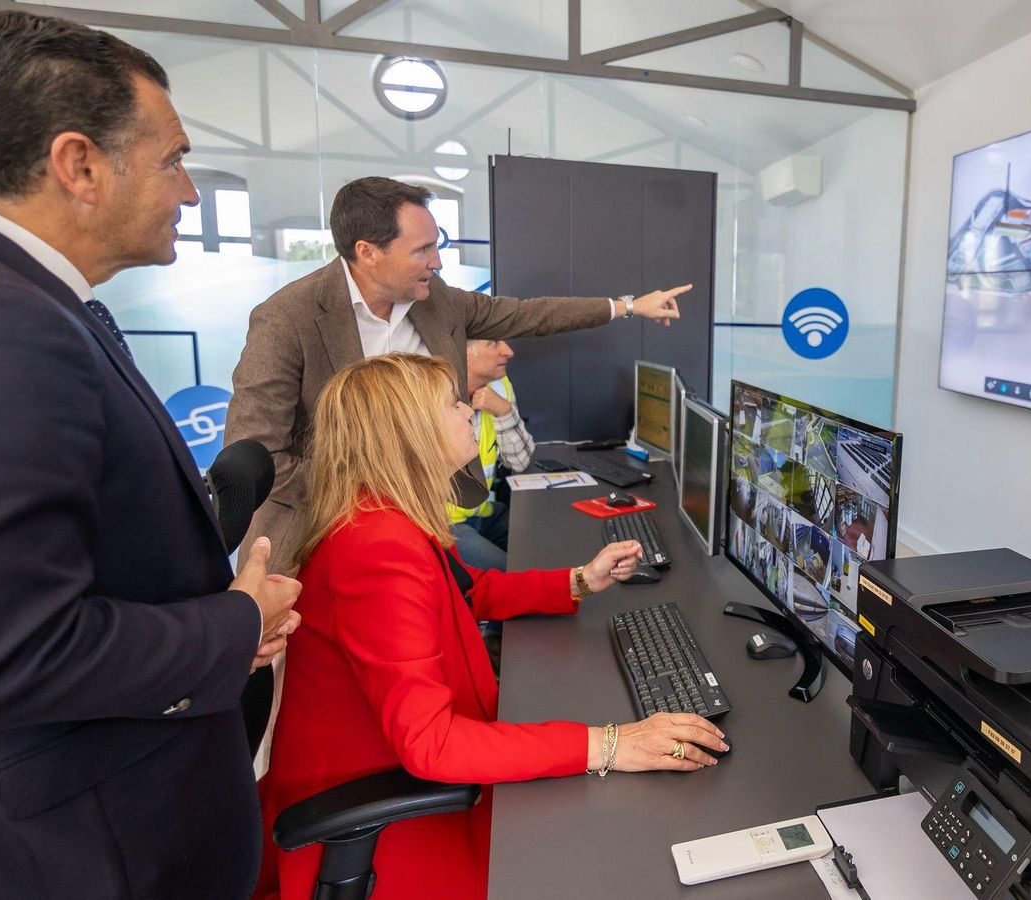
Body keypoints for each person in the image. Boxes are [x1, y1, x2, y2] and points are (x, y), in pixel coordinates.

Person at [0, 11, 300, 899]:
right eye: (172, 160)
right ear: (79, 164)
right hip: (91, 848)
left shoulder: (18, 304)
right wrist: (235, 623)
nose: (191, 193)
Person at [256, 353, 725, 900]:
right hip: (388, 822)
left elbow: (467, 590)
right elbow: (431, 746)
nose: (466, 409)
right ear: (411, 433)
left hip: (404, 773)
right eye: (452, 404)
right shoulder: (376, 549)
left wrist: (577, 580)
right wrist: (613, 744)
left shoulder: (381, 517)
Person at [225, 176, 693, 577]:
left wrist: (629, 306)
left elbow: (529, 315)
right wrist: (364, 502)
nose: (438, 261)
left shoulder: (436, 300)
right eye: (423, 249)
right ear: (367, 252)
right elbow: (255, 453)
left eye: (437, 245)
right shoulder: (288, 318)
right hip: (311, 536)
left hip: (414, 526)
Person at [449, 338, 533, 570]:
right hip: (444, 524)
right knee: (510, 574)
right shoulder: (432, 394)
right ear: (464, 352)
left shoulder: (500, 385)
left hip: (483, 511)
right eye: (493, 343)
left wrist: (503, 410)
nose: (509, 351)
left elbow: (520, 461)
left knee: (545, 543)